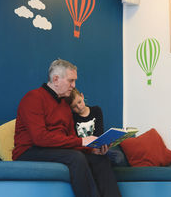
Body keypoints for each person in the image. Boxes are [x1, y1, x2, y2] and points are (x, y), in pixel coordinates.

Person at [12, 59, 121, 197]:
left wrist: (92, 149)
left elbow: (70, 139)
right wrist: (82, 142)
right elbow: (40, 138)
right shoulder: (33, 98)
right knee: (75, 157)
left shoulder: (64, 106)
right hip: (29, 151)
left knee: (100, 160)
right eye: (71, 81)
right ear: (56, 79)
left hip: (56, 150)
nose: (74, 85)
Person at [66, 88, 127, 166]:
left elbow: (99, 133)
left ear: (82, 96)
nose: (79, 107)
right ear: (70, 108)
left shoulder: (96, 110)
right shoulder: (72, 117)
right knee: (85, 158)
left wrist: (106, 144)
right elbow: (76, 140)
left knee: (118, 156)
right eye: (74, 106)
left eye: (79, 102)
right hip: (84, 151)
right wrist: (90, 150)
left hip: (99, 147)